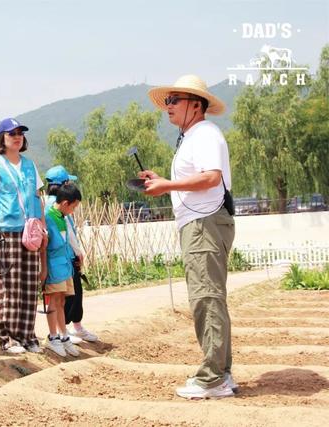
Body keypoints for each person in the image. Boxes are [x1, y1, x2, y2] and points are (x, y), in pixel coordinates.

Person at [141, 74, 237, 399]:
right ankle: (221, 374)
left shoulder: (205, 133)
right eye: (167, 101)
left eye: (174, 101)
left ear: (196, 105)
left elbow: (211, 178)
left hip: (204, 224)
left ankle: (213, 378)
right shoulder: (193, 136)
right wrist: (164, 179)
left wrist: (167, 185)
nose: (168, 107)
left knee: (206, 298)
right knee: (210, 297)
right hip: (201, 223)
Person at [0, 118, 45, 354]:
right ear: (2, 138)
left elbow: (38, 197)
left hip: (30, 230)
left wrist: (42, 227)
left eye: (20, 133)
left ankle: (27, 335)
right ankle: (8, 338)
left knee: (29, 284)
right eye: (11, 133)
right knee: (9, 284)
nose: (17, 137)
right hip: (7, 229)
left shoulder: (29, 165)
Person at [44, 166, 98, 343]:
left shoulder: (52, 204)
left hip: (63, 258)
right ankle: (64, 331)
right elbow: (69, 234)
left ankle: (66, 331)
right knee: (64, 297)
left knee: (67, 295)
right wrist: (78, 252)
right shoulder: (56, 207)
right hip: (62, 258)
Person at [43, 183, 82, 357]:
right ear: (66, 203)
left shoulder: (62, 218)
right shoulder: (48, 217)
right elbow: (45, 246)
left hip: (64, 266)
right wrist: (44, 268)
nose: (72, 211)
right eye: (73, 207)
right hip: (54, 266)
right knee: (53, 300)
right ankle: (53, 336)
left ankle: (63, 335)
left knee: (61, 301)